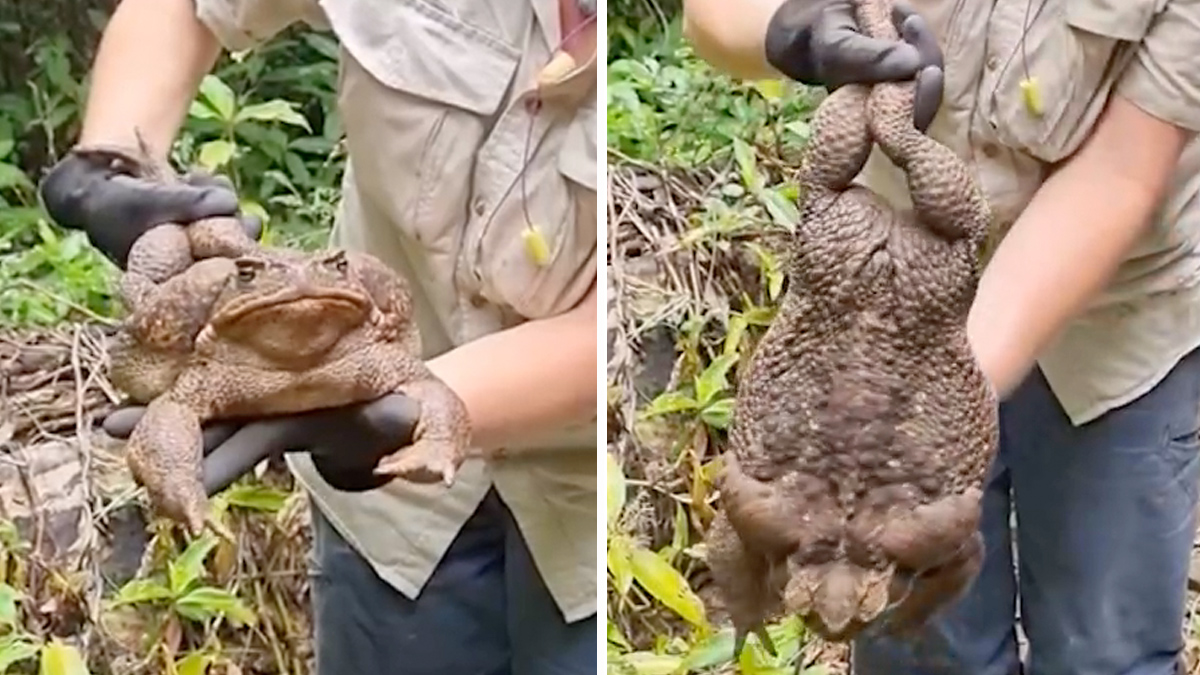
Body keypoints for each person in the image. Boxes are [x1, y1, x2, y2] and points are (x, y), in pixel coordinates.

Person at [36, 1, 599, 673]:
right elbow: (187, 7)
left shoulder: (378, 366)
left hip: (581, 484)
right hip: (392, 512)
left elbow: (587, 332)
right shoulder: (224, 329)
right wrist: (110, 169)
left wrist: (406, 413)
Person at [682, 0, 1200, 673]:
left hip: (1117, 322)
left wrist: (923, 402)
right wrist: (796, 30)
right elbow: (715, 16)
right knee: (924, 652)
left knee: (1103, 648)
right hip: (880, 287)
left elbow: (1119, 176)